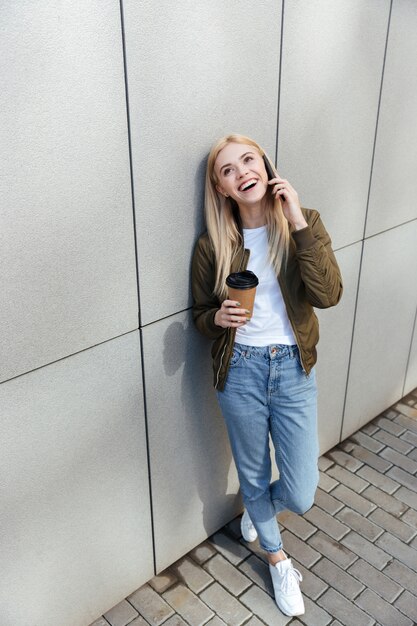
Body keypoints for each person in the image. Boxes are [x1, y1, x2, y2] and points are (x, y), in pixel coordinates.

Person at [191, 134, 342, 617]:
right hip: (241, 371)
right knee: (253, 471)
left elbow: (329, 294)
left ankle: (259, 512)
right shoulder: (213, 245)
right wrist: (216, 319)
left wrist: (296, 219)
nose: (242, 173)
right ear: (221, 189)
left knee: (300, 490)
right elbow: (198, 314)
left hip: (293, 369)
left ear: (265, 165)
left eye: (248, 161)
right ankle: (276, 559)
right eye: (228, 170)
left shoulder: (304, 223)